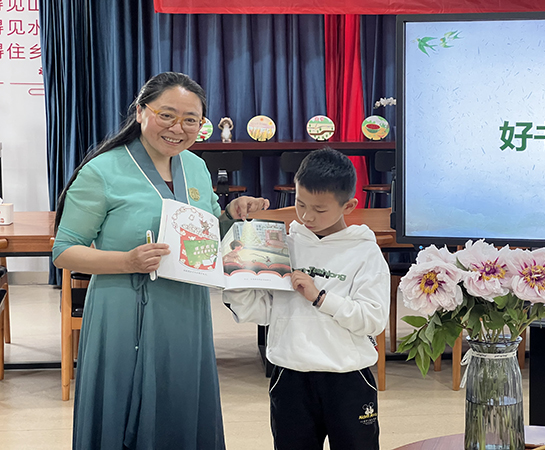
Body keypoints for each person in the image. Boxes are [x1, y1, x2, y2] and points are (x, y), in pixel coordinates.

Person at [52, 71, 269, 450]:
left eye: (190, 120)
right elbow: (64, 250)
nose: (177, 128)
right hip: (123, 308)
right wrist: (128, 261)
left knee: (181, 400)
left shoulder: (195, 166)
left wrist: (230, 215)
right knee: (124, 406)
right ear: (140, 111)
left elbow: (204, 235)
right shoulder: (102, 170)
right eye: (166, 115)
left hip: (185, 307)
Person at [223, 147, 390, 450]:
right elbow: (262, 312)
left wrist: (320, 297)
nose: (307, 216)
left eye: (319, 209)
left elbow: (373, 320)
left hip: (348, 377)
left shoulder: (365, 252)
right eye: (300, 204)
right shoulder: (285, 244)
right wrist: (237, 278)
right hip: (290, 376)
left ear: (349, 205)